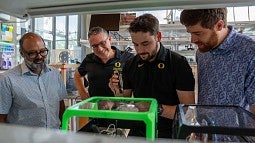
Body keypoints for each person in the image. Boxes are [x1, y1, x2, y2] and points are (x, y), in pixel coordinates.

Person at [109, 13, 195, 138]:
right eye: (135, 44)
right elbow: (125, 101)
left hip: (169, 133)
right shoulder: (130, 64)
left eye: (145, 43)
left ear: (158, 36)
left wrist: (155, 108)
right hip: (138, 131)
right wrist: (117, 92)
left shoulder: (178, 63)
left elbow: (188, 112)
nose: (140, 50)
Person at [180, 8, 255, 114]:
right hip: (204, 127)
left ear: (219, 25)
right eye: (190, 33)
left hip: (236, 130)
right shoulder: (202, 51)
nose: (193, 40)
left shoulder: (250, 51)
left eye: (198, 33)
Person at [0, 32, 67, 129]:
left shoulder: (55, 74)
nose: (39, 57)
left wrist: (63, 130)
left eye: (43, 51)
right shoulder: (7, 80)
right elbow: (1, 119)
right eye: (32, 53)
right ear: (22, 53)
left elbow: (60, 105)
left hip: (54, 137)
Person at [74, 26, 134, 100]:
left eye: (102, 43)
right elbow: (78, 75)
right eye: (95, 46)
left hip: (119, 106)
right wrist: (83, 94)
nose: (100, 49)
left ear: (109, 39)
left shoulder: (127, 58)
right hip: (95, 107)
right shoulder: (89, 59)